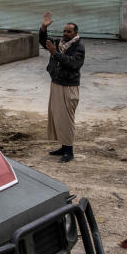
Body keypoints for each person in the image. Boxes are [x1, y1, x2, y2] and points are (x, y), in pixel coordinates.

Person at [39, 11, 84, 162]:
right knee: (57, 117)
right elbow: (43, 41)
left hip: (68, 86)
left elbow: (73, 64)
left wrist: (55, 54)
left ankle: (69, 151)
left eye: (69, 31)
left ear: (75, 33)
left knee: (67, 119)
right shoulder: (60, 43)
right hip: (57, 83)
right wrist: (43, 28)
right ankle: (63, 147)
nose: (65, 33)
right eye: (64, 31)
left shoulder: (79, 47)